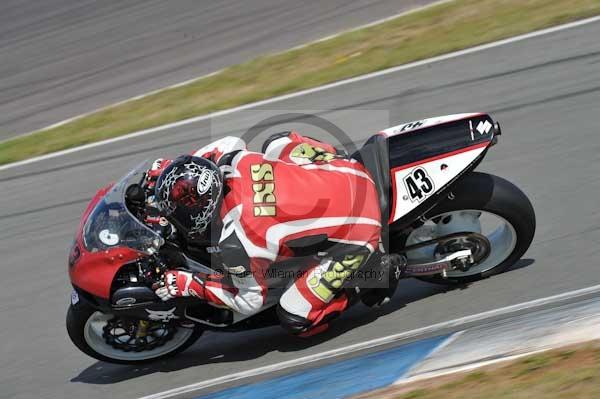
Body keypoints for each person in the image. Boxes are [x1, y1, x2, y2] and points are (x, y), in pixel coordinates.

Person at [149, 132, 393, 336]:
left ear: (201, 211)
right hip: (345, 168)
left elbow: (248, 302)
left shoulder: (238, 242)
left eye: (183, 205)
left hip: (361, 231)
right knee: (277, 142)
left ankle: (370, 280)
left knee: (295, 317)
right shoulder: (233, 160)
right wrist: (171, 172)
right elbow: (225, 144)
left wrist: (190, 284)